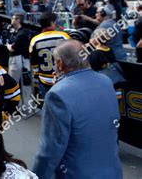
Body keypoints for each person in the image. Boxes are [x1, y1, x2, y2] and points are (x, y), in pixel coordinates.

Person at [33, 40, 122, 178]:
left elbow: (50, 150)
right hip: (112, 172)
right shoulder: (106, 81)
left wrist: (36, 176)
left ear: (60, 64)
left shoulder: (57, 94)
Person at [29, 12, 70, 101]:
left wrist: (36, 75)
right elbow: (70, 55)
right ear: (52, 22)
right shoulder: (63, 36)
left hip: (45, 79)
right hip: (63, 77)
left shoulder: (35, 40)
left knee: (49, 104)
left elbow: (34, 62)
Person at [7, 13, 30, 84]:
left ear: (18, 20)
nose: (11, 19)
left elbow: (12, 48)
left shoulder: (22, 33)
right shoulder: (15, 32)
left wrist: (7, 45)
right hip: (16, 59)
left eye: (13, 18)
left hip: (17, 59)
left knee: (13, 82)